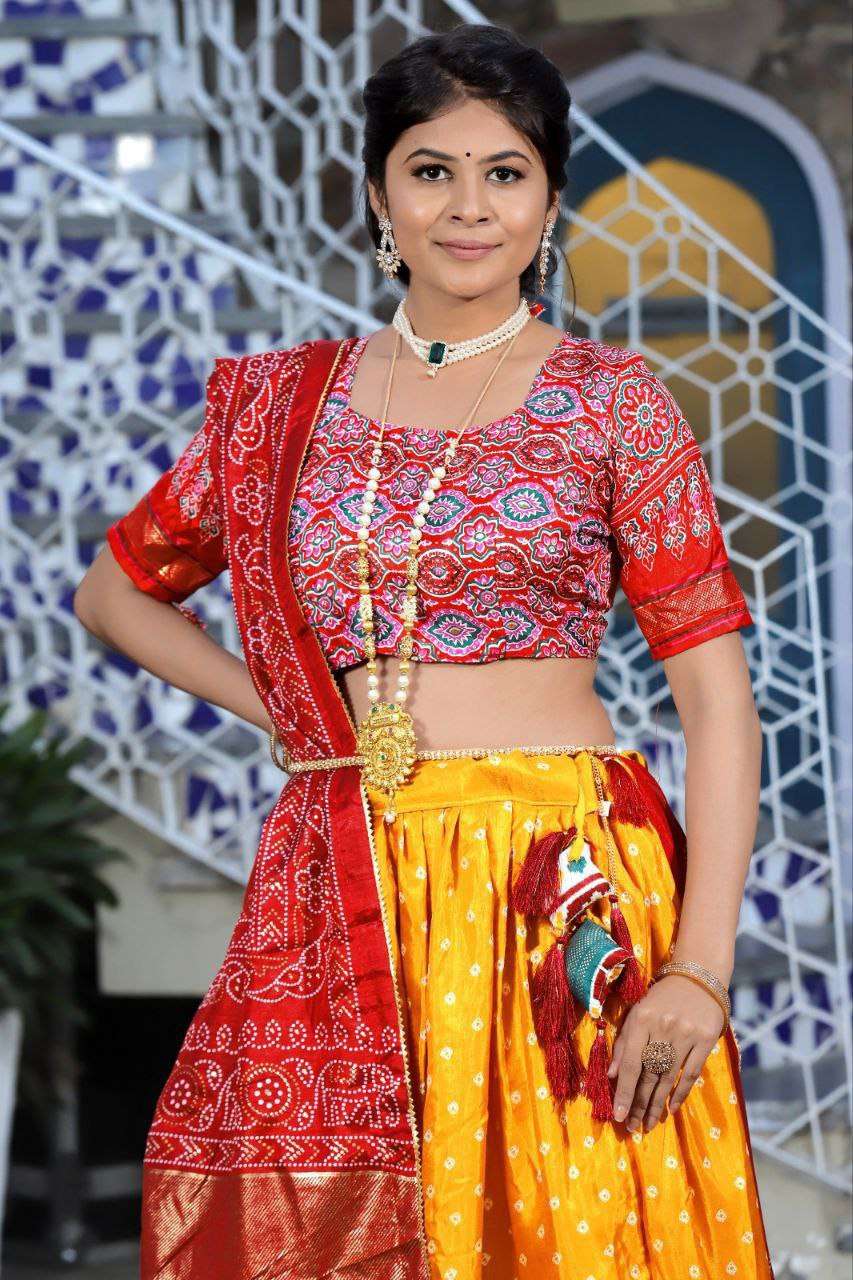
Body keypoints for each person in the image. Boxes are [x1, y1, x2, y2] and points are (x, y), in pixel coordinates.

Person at [73, 22, 776, 1280]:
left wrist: (700, 970)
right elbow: (116, 591)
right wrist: (287, 710)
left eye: (504, 173)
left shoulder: (614, 402)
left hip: (552, 884)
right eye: (430, 170)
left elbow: (717, 702)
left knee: (565, 1234)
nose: (468, 207)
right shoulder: (283, 407)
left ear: (549, 199)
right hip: (344, 867)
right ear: (377, 195)